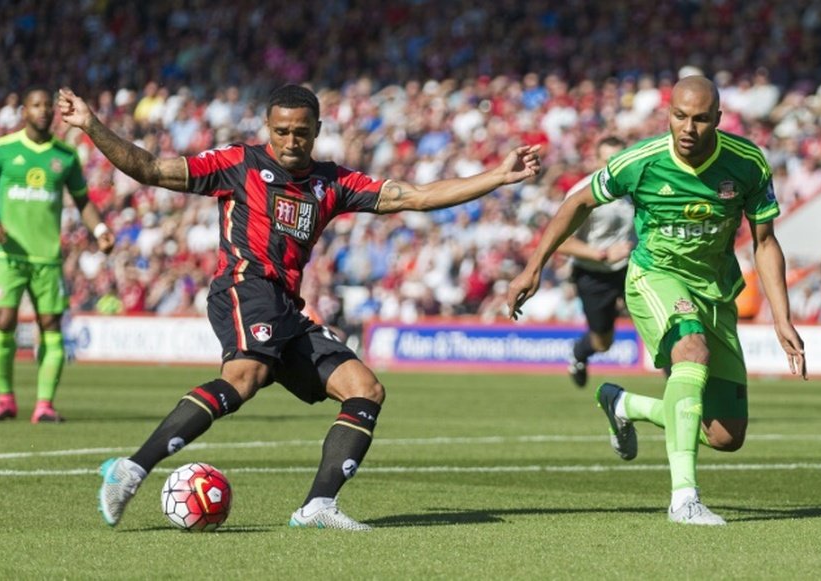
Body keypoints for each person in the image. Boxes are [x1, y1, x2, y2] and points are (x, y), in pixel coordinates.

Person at [58, 84, 540, 530]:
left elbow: (414, 196)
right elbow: (151, 169)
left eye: (301, 132)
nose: (291, 140)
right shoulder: (236, 164)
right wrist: (92, 124)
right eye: (282, 130)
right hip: (245, 287)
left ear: (317, 131)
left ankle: (318, 506)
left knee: (365, 390)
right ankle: (132, 469)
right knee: (246, 377)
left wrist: (497, 175)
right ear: (269, 127)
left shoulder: (332, 183)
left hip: (287, 306)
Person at [507, 76, 806, 526]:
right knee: (691, 351)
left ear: (718, 120)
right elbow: (577, 202)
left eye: (701, 119)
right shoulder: (641, 161)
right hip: (655, 276)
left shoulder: (747, 163)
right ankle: (685, 499)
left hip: (716, 292)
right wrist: (535, 266)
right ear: (668, 114)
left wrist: (781, 317)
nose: (688, 128)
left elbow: (765, 242)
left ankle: (625, 405)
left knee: (726, 436)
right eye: (679, 116)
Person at [0, 87, 115, 423]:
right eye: (36, 105)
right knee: (3, 321)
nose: (44, 110)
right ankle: (4, 398)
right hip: (8, 255)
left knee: (50, 326)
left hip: (47, 257)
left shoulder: (64, 155)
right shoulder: (4, 150)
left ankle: (44, 405)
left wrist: (100, 231)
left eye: (48, 105)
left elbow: (82, 201)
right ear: (24, 111)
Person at [557, 136, 633, 387]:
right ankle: (580, 352)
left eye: (619, 160)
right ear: (597, 162)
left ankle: (680, 394)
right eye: (608, 161)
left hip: (631, 268)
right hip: (593, 272)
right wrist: (602, 254)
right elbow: (562, 241)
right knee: (603, 342)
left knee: (659, 325)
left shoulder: (637, 189)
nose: (615, 167)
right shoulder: (583, 193)